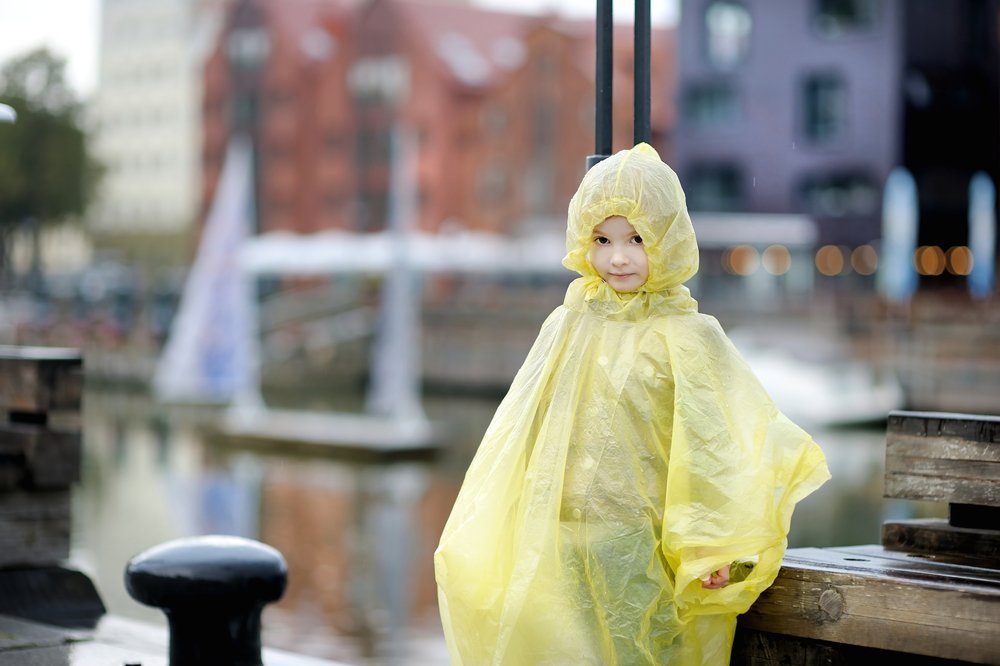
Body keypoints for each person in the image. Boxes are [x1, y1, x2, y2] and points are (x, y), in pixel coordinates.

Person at [434, 143, 830, 665]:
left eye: (637, 239)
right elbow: (523, 426)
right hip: (561, 537)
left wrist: (715, 547)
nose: (617, 257)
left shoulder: (686, 337)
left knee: (646, 647)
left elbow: (719, 447)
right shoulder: (569, 323)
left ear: (667, 242)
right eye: (602, 239)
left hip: (644, 543)